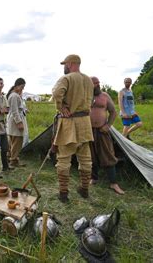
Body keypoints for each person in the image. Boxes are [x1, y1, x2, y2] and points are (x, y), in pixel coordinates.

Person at [52, 54, 94, 203]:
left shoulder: (67, 78)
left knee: (63, 159)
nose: (64, 66)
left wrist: (61, 107)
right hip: (85, 123)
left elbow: (56, 93)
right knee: (85, 159)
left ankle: (63, 193)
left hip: (70, 123)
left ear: (70, 64)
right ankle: (84, 189)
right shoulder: (88, 80)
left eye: (65, 64)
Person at [89, 77, 125, 195]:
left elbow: (113, 112)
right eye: (95, 84)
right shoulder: (85, 96)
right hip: (88, 131)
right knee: (91, 155)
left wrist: (108, 125)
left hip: (102, 130)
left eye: (98, 83)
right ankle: (94, 178)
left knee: (108, 155)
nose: (98, 85)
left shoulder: (104, 96)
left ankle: (113, 183)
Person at [6, 78, 27, 167]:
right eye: (22, 87)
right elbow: (14, 110)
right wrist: (19, 122)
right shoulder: (14, 96)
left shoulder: (14, 95)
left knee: (13, 140)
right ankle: (13, 160)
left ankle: (10, 156)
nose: (22, 89)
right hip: (15, 121)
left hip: (13, 120)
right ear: (17, 86)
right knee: (17, 140)